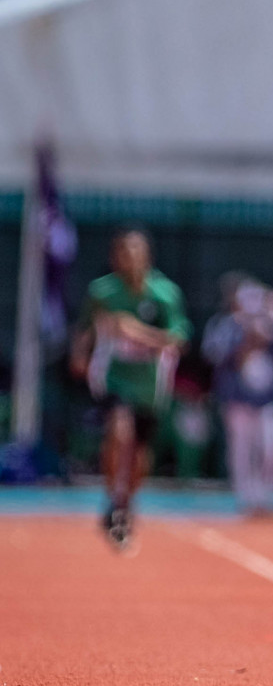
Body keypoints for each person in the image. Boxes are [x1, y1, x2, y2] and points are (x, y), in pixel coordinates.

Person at [69, 228, 191, 548]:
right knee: (118, 429)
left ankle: (127, 500)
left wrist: (136, 333)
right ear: (115, 257)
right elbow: (86, 327)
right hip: (113, 377)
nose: (130, 258)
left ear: (147, 255)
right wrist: (81, 352)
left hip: (151, 382)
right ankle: (113, 498)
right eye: (123, 252)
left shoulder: (165, 294)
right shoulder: (103, 292)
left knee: (139, 450)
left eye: (135, 251)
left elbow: (178, 339)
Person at [203, 275, 273, 517]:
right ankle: (246, 498)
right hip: (237, 399)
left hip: (270, 399)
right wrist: (245, 341)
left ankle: (267, 496)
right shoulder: (226, 325)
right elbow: (212, 354)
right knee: (241, 450)